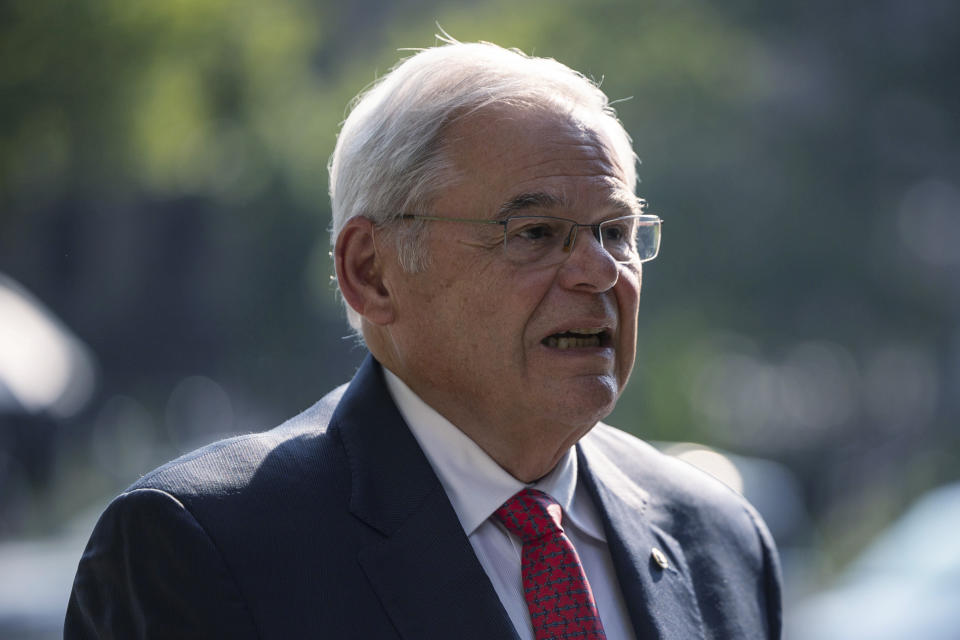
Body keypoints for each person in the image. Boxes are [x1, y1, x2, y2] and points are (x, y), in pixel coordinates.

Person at [66, 40, 781, 639]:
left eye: (616, 232)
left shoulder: (718, 539)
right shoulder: (206, 547)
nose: (599, 272)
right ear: (371, 273)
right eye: (535, 233)